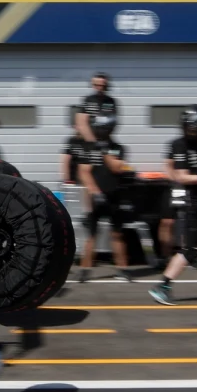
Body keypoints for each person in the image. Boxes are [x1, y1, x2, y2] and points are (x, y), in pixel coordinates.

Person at [150, 105, 197, 305]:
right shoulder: (179, 145)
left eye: (192, 127)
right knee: (190, 249)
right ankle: (164, 286)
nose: (188, 130)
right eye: (186, 126)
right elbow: (182, 176)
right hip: (194, 202)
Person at [78, 113, 131, 283]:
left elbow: (117, 168)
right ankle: (85, 270)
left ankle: (122, 270)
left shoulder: (118, 148)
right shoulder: (88, 148)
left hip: (115, 197)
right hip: (96, 198)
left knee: (117, 234)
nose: (101, 131)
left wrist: (104, 151)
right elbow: (83, 172)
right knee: (91, 235)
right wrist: (95, 192)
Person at [75, 72, 118, 144]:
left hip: (105, 139)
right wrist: (91, 141)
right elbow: (81, 122)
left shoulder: (110, 101)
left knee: (115, 152)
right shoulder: (88, 100)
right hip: (89, 139)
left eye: (101, 85)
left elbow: (113, 120)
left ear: (106, 85)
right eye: (96, 85)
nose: (99, 88)